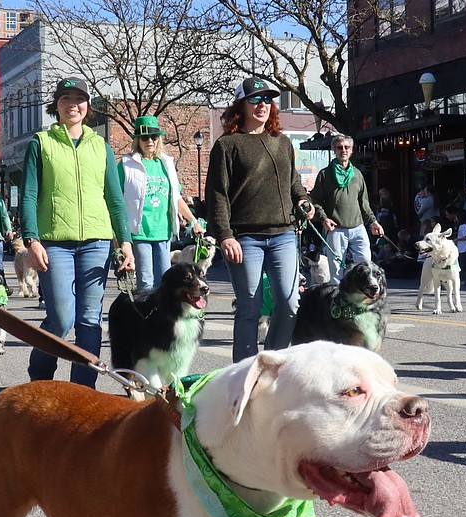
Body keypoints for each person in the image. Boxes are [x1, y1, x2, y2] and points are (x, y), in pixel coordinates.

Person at [20, 77, 134, 387]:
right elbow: (29, 195)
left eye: (79, 98)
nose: (73, 104)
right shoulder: (40, 143)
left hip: (96, 242)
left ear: (88, 106)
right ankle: (40, 379)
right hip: (54, 243)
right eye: (65, 98)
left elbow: (115, 199)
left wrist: (125, 243)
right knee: (61, 317)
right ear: (55, 105)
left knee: (89, 320)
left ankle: (84, 390)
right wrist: (32, 240)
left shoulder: (102, 147)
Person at [205, 78, 314, 362]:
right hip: (245, 238)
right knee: (250, 308)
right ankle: (244, 373)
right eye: (255, 99)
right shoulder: (227, 145)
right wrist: (225, 234)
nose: (263, 105)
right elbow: (217, 194)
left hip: (284, 234)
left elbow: (294, 183)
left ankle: (271, 364)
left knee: (289, 303)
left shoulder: (283, 143)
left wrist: (304, 201)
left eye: (267, 100)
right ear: (241, 104)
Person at [117, 114, 202, 295]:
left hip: (163, 231)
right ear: (137, 140)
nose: (150, 141)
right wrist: (118, 236)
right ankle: (146, 319)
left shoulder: (166, 163)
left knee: (166, 280)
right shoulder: (127, 164)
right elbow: (117, 199)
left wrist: (193, 221)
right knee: (146, 282)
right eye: (145, 137)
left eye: (154, 137)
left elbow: (176, 197)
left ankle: (163, 319)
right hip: (140, 231)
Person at [309, 134, 383, 282]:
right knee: (336, 269)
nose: (343, 150)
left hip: (358, 227)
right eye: (340, 147)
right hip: (336, 229)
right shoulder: (325, 174)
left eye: (347, 147)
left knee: (365, 264)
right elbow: (315, 200)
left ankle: (362, 299)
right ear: (334, 150)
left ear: (351, 150)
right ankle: (338, 302)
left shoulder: (357, 174)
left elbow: (364, 203)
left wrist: (373, 222)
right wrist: (323, 218)